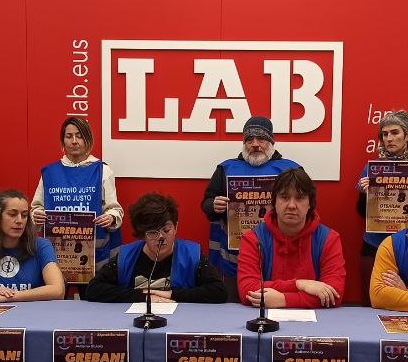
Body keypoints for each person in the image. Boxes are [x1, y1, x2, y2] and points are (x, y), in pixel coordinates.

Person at [201, 116, 300, 302]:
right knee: (233, 314)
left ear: (271, 142)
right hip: (234, 263)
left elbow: (307, 207)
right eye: (249, 139)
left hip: (280, 258)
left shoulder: (291, 170)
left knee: (277, 311)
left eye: (261, 139)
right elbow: (206, 203)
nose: (255, 144)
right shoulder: (225, 168)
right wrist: (213, 205)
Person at [355, 110, 408, 305]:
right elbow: (360, 213)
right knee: (371, 304)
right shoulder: (372, 168)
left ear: (407, 135)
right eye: (385, 134)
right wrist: (365, 195)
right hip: (375, 246)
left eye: (395, 132)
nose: (389, 139)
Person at [85, 193, 226, 304]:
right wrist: (144, 297)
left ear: (176, 227)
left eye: (166, 230)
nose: (161, 237)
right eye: (153, 232)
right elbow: (93, 289)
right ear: (142, 234)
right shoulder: (125, 257)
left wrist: (171, 295)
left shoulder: (192, 255)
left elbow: (219, 291)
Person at [237, 168, 345, 309]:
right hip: (266, 318)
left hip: (316, 321)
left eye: (299, 198)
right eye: (284, 197)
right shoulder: (253, 239)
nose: (292, 205)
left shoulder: (329, 239)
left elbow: (335, 294)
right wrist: (299, 284)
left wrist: (284, 300)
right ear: (274, 202)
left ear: (310, 203)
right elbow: (247, 290)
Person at [31, 117, 123, 278]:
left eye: (79, 136)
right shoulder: (49, 172)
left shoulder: (102, 170)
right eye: (69, 136)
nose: (74, 141)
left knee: (93, 294)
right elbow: (36, 208)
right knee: (55, 293)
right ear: (63, 140)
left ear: (88, 139)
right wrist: (36, 215)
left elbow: (114, 209)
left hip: (94, 255)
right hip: (57, 253)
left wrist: (111, 217)